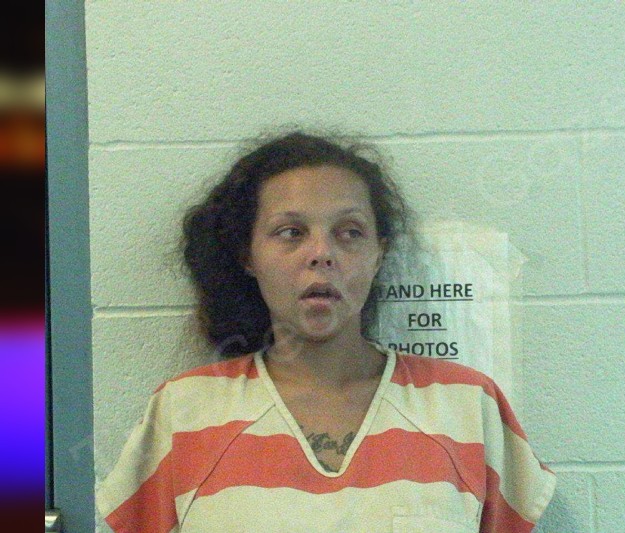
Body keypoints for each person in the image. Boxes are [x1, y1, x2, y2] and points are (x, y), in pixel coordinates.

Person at [96, 131, 556, 532]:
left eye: (350, 232)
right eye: (291, 232)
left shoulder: (468, 405)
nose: (322, 253)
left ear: (378, 254)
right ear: (247, 256)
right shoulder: (183, 412)